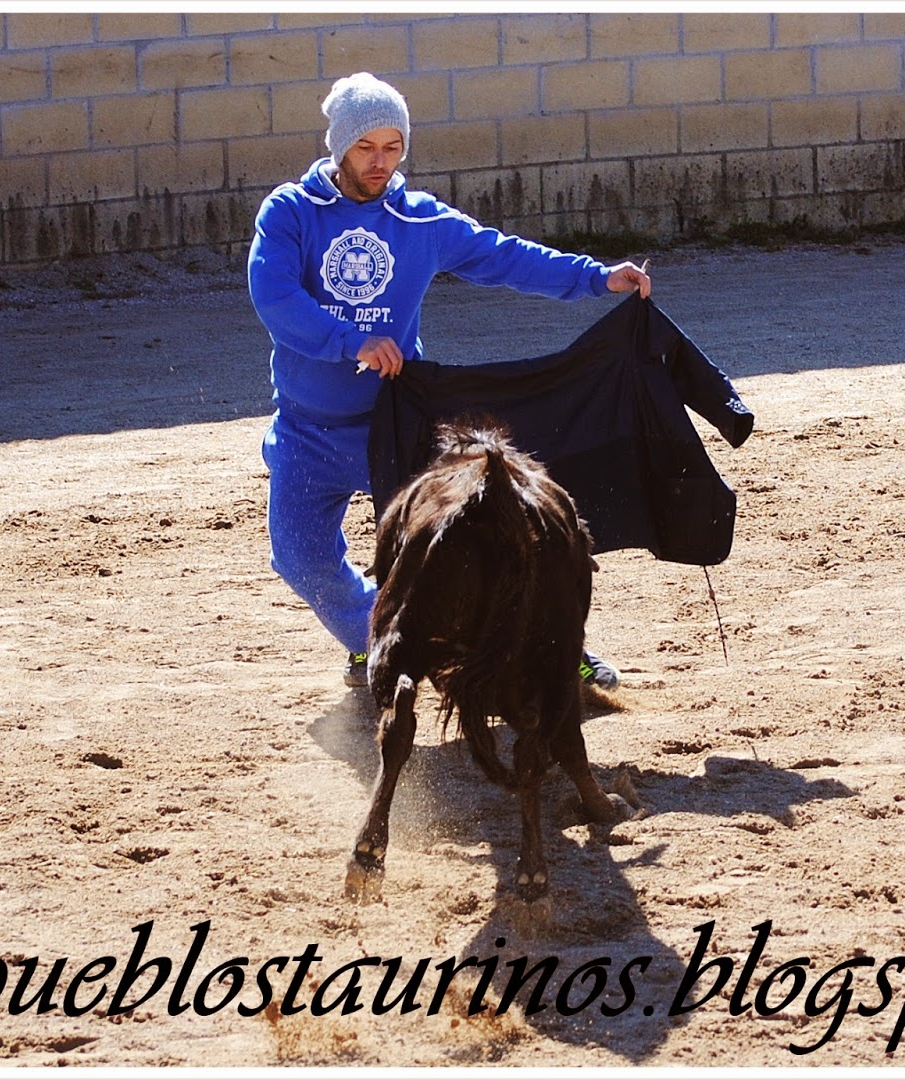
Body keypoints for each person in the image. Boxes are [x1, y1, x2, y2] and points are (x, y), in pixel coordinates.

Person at [247, 72, 651, 690]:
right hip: (306, 428)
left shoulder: (421, 220)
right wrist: (351, 340)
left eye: (393, 147)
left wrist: (595, 278)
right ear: (338, 145)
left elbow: (504, 256)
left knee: (480, 543)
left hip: (396, 422)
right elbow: (274, 295)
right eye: (365, 147)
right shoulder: (291, 212)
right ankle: (375, 638)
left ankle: (552, 649)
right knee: (299, 556)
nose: (380, 162)